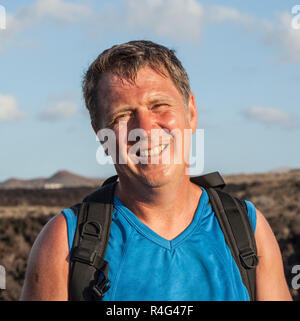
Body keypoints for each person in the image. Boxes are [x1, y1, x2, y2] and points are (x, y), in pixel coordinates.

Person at [20, 40, 292, 301]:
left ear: (191, 111)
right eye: (122, 116)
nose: (145, 130)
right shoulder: (63, 243)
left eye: (159, 106)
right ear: (101, 135)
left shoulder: (248, 229)